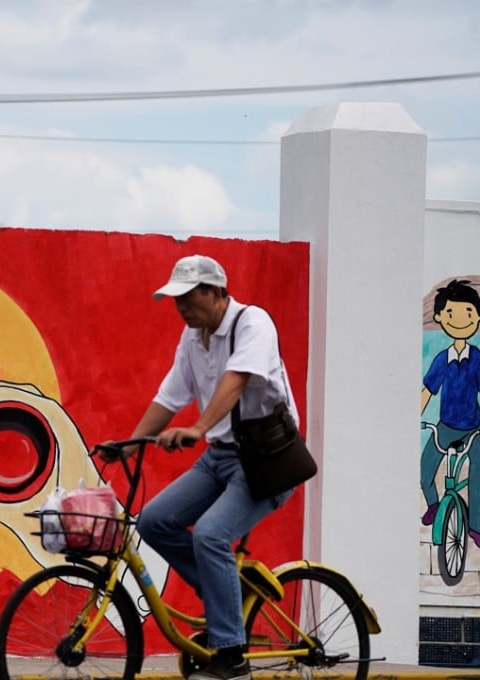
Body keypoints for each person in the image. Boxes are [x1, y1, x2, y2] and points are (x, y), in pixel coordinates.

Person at [101, 254, 298, 680]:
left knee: (210, 534)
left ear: (215, 292)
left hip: (266, 458)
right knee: (153, 521)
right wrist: (129, 446)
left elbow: (238, 378)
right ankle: (224, 593)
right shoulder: (193, 338)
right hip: (220, 457)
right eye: (177, 301)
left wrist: (198, 426)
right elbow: (170, 395)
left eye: (188, 299)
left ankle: (232, 656)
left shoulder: (253, 323)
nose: (181, 309)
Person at [420, 278, 480, 550]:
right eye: (451, 313)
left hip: (473, 428)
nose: (459, 319)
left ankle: (477, 528)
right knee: (424, 470)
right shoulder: (442, 359)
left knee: (478, 476)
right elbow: (428, 391)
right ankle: (433, 504)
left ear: (478, 317)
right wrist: (414, 416)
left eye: (467, 313)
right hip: (445, 425)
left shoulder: (476, 358)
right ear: (440, 317)